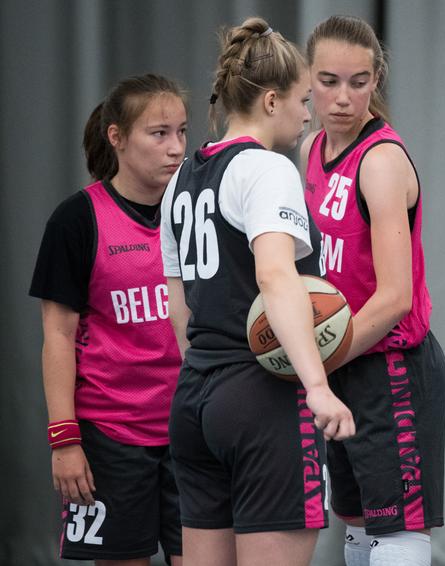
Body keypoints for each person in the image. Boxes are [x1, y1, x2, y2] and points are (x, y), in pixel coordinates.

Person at [160, 17, 355, 566]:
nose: (307, 112)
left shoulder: (182, 177)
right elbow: (275, 276)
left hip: (196, 398)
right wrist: (316, 385)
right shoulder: (267, 169)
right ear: (271, 101)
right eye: (300, 99)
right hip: (259, 399)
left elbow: (180, 301)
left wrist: (203, 374)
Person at [300, 15, 445, 566]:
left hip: (391, 364)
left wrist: (312, 359)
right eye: (329, 80)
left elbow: (395, 298)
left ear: (377, 79)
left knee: (398, 526)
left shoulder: (380, 161)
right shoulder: (311, 149)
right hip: (341, 361)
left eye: (358, 81)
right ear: (306, 80)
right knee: (357, 519)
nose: (343, 97)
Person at [30, 74, 187, 565]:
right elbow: (57, 335)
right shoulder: (76, 220)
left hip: (191, 431)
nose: (176, 148)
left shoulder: (193, 212)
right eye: (158, 133)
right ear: (116, 137)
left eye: (182, 131)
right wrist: (65, 441)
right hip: (111, 437)